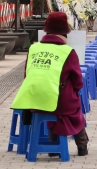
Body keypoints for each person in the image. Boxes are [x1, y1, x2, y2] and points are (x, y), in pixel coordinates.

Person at [11, 11, 89, 156]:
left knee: (50, 105)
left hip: (33, 100)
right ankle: (82, 146)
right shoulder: (68, 51)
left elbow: (27, 74)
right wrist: (76, 91)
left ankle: (53, 143)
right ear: (65, 32)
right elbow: (77, 81)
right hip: (59, 102)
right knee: (74, 108)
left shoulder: (34, 48)